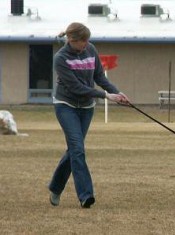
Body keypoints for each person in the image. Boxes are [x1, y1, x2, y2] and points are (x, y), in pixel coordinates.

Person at [48, 22, 129, 208]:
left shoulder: (91, 50)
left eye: (87, 41)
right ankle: (86, 196)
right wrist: (107, 96)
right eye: (82, 41)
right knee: (77, 149)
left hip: (86, 108)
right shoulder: (60, 58)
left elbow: (99, 77)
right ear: (71, 40)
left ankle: (55, 186)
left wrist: (118, 94)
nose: (86, 44)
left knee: (74, 151)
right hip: (66, 106)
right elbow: (76, 87)